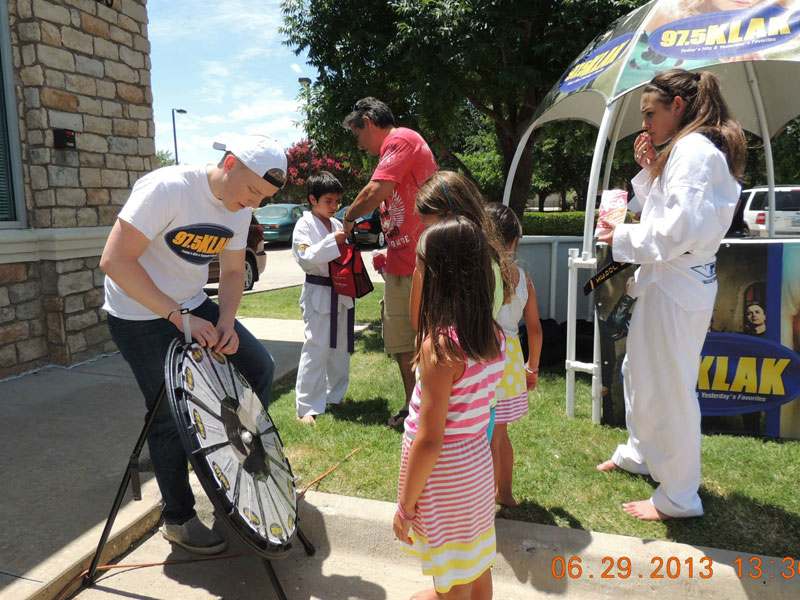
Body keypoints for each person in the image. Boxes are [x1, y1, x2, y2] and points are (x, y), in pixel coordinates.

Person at [100, 135, 287, 553]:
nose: (254, 204)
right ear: (231, 162)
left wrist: (225, 321)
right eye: (254, 190)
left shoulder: (239, 209)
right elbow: (114, 261)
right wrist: (176, 317)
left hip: (192, 302)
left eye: (265, 197)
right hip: (139, 314)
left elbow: (235, 272)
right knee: (166, 412)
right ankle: (179, 518)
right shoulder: (168, 188)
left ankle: (231, 468)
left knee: (259, 367)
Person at [595, 69, 746, 521]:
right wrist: (649, 171)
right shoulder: (684, 151)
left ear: (677, 106)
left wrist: (620, 237)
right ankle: (643, 453)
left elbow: (678, 231)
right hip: (668, 283)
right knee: (640, 372)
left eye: (650, 113)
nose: (645, 124)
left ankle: (680, 495)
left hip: (677, 286)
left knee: (671, 388)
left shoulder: (694, 151)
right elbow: (664, 211)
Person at [394, 217, 505, 600]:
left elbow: (429, 439)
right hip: (475, 464)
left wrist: (406, 507)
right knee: (475, 563)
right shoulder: (493, 335)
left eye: (420, 266)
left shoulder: (441, 348)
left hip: (443, 477)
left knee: (452, 584)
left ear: (436, 276)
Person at [341, 98, 438, 428]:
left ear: (367, 121)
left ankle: (434, 410)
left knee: (427, 341)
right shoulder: (392, 150)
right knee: (402, 342)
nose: (358, 143)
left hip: (421, 263)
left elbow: (375, 190)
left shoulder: (401, 139)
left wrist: (349, 218)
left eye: (357, 133)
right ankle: (415, 407)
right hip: (401, 263)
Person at [410, 171, 512, 438]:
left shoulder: (444, 264)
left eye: (431, 227)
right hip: (479, 403)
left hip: (446, 399)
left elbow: (416, 319)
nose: (428, 236)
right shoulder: (490, 262)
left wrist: (420, 268)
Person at [485, 203, 543, 508]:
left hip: (483, 359)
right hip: (509, 363)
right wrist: (531, 367)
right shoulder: (524, 278)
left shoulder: (481, 275)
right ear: (514, 241)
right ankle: (504, 494)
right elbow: (535, 329)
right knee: (501, 435)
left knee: (481, 434)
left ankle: (480, 496)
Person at [292, 171, 351, 425]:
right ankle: (306, 406)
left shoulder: (337, 224)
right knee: (316, 348)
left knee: (340, 349)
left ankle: (334, 396)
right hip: (318, 291)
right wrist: (332, 242)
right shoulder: (304, 225)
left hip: (341, 290)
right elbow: (305, 258)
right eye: (328, 201)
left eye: (337, 201)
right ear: (312, 200)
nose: (334, 206)